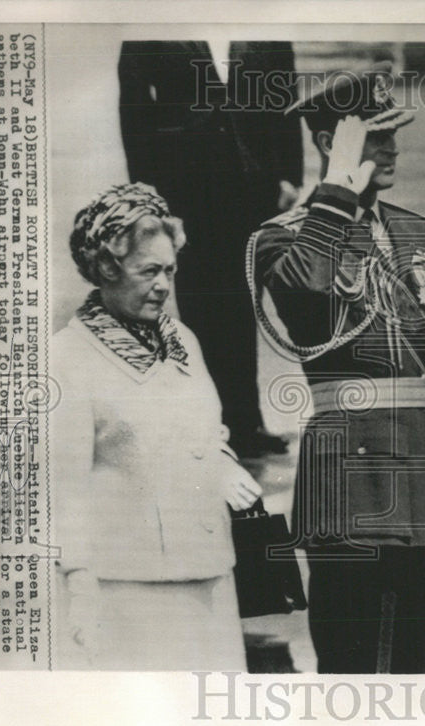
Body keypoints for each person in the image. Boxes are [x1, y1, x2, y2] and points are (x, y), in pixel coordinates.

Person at [250, 62, 425, 674]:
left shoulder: (417, 230)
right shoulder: (279, 239)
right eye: (373, 135)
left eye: (393, 132)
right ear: (329, 145)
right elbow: (311, 305)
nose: (392, 146)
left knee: (423, 670)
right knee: (353, 673)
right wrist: (336, 192)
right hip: (351, 485)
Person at [52, 183, 262, 669]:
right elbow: (64, 488)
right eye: (149, 271)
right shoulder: (67, 357)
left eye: (169, 270)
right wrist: (80, 587)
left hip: (210, 574)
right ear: (107, 268)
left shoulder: (182, 339)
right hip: (128, 589)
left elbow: (208, 430)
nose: (164, 285)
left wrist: (222, 463)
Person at [119, 40, 303, 456]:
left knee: (243, 305)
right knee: (201, 309)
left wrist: (290, 174)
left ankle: (245, 425)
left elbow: (285, 102)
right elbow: (134, 115)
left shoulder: (265, 29)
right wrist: (153, 198)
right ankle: (209, 425)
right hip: (187, 192)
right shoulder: (150, 26)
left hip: (253, 186)